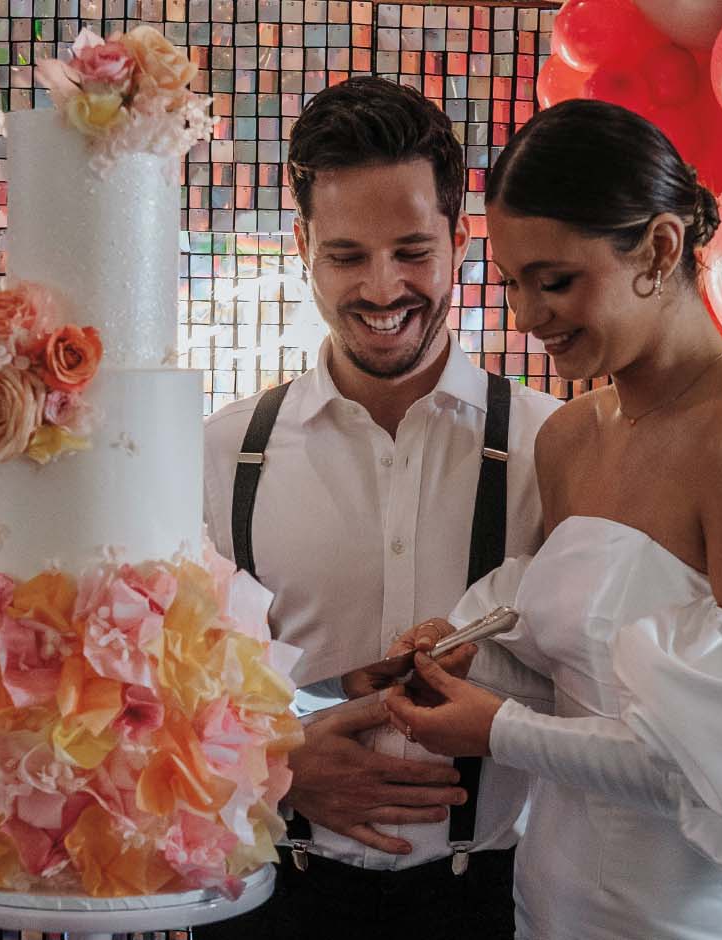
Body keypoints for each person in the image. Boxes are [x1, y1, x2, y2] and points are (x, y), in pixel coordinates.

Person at [380, 99, 722, 940]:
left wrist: (502, 732)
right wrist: (465, 667)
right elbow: (581, 683)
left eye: (556, 281)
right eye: (512, 283)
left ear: (660, 249)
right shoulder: (568, 440)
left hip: (693, 915)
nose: (527, 315)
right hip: (552, 903)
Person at [197, 76, 560, 940]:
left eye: (411, 250)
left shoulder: (559, 447)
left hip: (495, 904)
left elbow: (612, 699)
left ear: (460, 240)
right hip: (272, 903)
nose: (383, 287)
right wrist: (270, 764)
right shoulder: (221, 453)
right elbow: (160, 709)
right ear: (302, 246)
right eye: (348, 255)